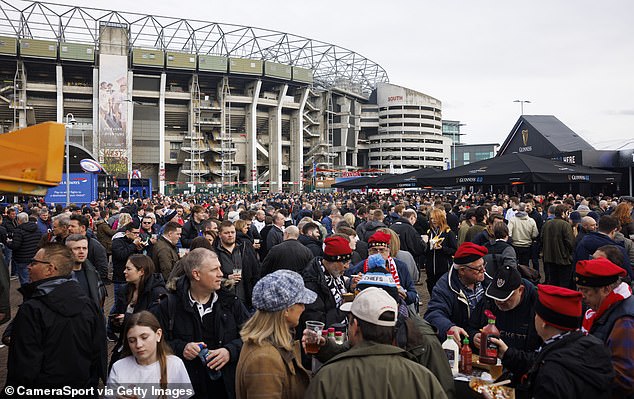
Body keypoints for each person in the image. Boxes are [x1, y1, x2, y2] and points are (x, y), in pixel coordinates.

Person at [307, 256, 456, 399]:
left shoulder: (328, 378)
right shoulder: (423, 377)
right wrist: (325, 346)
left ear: (356, 326)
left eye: (350, 319)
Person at [5, 243, 107, 389]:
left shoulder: (32, 309)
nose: (29, 267)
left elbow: (23, 366)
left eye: (34, 262)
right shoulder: (89, 305)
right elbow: (97, 353)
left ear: (50, 269)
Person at [152, 248, 250, 399]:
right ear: (196, 274)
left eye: (220, 268)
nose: (221, 274)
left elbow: (252, 335)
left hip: (225, 387)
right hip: (187, 387)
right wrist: (181, 348)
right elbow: (155, 342)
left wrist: (230, 351)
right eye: (214, 269)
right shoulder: (169, 305)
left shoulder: (231, 302)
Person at [491, 284, 615, 399]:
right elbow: (537, 361)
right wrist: (507, 353)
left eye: (536, 315)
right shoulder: (590, 345)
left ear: (544, 323)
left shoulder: (551, 375)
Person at [235, 270, 316, 399]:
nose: (304, 308)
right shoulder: (264, 359)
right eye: (300, 303)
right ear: (286, 311)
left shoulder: (272, 344)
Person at [575, 258, 634, 398]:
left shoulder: (624, 322)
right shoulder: (602, 310)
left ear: (606, 289)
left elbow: (623, 380)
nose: (581, 296)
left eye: (585, 290)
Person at [107, 311, 193, 399]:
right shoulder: (118, 368)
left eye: (144, 337)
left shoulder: (175, 365)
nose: (139, 345)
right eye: (132, 340)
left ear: (158, 335)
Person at [424, 242, 491, 342]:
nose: (484, 270)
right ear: (462, 270)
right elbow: (434, 313)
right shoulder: (444, 287)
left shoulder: (487, 282)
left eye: (483, 265)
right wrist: (449, 328)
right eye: (478, 268)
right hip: (461, 342)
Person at [110, 254, 168, 368]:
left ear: (141, 272)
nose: (124, 271)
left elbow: (154, 322)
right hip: (125, 346)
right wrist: (115, 322)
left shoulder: (157, 293)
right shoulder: (125, 290)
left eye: (128, 269)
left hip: (146, 351)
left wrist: (126, 319)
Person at [469, 264, 540, 356]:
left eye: (505, 298)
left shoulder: (537, 306)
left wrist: (508, 354)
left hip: (523, 366)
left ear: (520, 290)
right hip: (490, 362)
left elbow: (543, 355)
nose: (499, 302)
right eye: (496, 296)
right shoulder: (489, 300)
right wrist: (473, 337)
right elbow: (470, 326)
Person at [300, 235, 353, 332]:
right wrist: (342, 309)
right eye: (344, 262)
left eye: (349, 262)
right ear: (332, 261)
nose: (347, 267)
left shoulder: (334, 272)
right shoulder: (312, 282)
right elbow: (316, 321)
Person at [214, 221, 260, 309]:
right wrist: (227, 277)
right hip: (224, 301)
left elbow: (256, 270)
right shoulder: (214, 252)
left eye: (232, 232)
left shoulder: (245, 247)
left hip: (246, 300)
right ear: (219, 235)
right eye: (226, 233)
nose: (230, 235)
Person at [66, 234, 107, 309]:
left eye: (84, 248)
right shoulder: (61, 276)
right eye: (77, 248)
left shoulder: (93, 273)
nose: (81, 251)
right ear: (67, 251)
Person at [425, 208, 458, 297]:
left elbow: (455, 250)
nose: (433, 220)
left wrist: (443, 248)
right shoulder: (429, 233)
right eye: (431, 218)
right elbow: (425, 251)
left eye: (435, 218)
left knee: (443, 289)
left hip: (443, 267)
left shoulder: (448, 233)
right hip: (431, 267)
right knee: (431, 287)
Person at [541, 204, 575, 288]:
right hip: (563, 259)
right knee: (564, 283)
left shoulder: (547, 224)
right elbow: (570, 243)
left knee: (553, 282)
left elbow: (541, 239)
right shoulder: (565, 225)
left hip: (549, 258)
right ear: (563, 213)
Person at [69, 214, 109, 282]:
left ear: (83, 228)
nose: (69, 228)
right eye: (69, 226)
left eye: (73, 226)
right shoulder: (66, 243)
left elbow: (102, 271)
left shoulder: (95, 246)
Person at [8, 213, 42, 286]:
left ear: (19, 221)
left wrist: (8, 243)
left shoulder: (18, 231)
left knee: (24, 279)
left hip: (22, 258)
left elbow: (15, 246)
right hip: (34, 257)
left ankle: (27, 295)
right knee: (33, 278)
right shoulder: (37, 229)